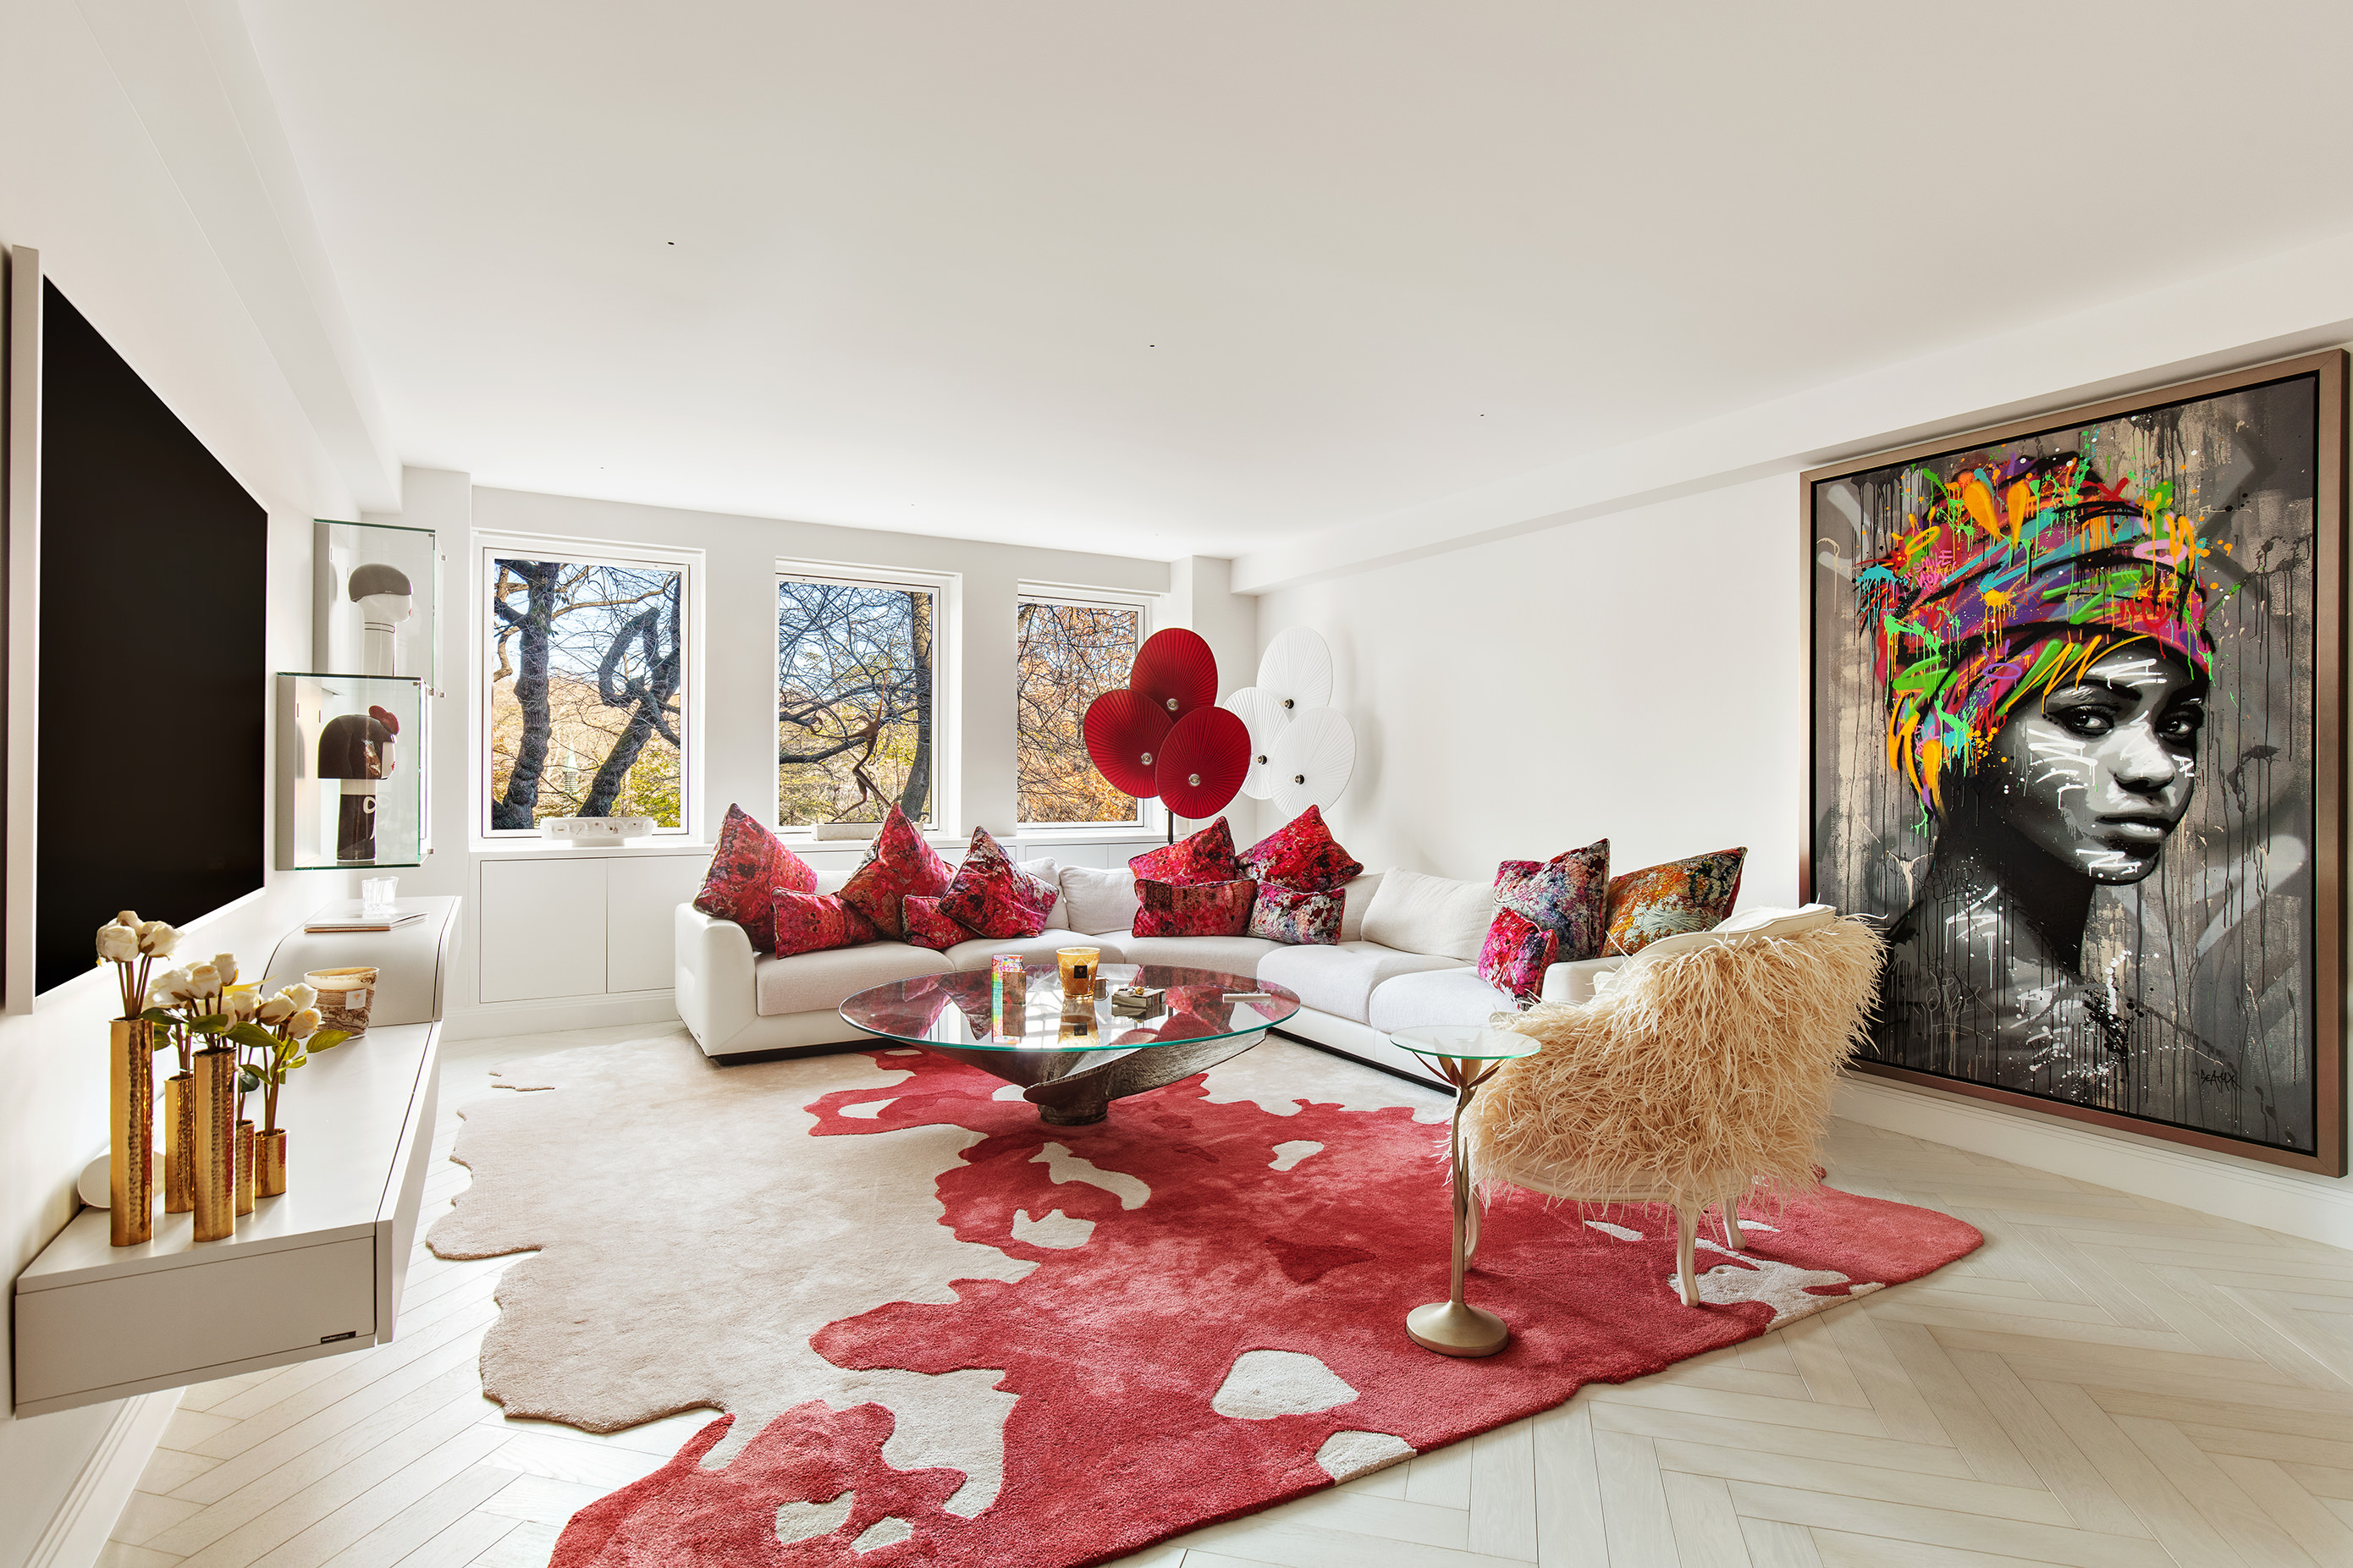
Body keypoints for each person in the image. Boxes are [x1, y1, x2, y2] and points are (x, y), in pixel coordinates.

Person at [1856, 451, 2242, 1102]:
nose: (2156, 768)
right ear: (1959, 729)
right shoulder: (1833, 1019)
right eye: (2088, 717)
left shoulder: (2168, 1066)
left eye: (2178, 725)